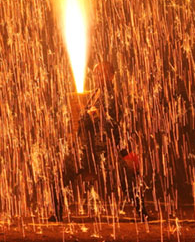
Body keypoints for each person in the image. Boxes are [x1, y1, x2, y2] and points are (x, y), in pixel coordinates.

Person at [51, 61, 146, 221]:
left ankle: (142, 211)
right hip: (87, 149)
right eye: (96, 73)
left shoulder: (111, 96)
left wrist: (87, 115)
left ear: (111, 76)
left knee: (126, 179)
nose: (97, 76)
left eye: (101, 73)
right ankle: (57, 212)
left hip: (103, 149)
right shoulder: (95, 93)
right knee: (61, 174)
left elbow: (106, 121)